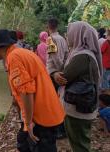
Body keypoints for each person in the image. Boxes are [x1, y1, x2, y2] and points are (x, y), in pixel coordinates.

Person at [0, 29, 65, 152]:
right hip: (45, 110)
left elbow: (27, 92)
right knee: (23, 143)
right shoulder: (22, 53)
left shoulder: (14, 58)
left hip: (41, 116)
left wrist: (28, 123)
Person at [56, 21, 103, 152]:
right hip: (82, 106)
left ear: (77, 35)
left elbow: (64, 77)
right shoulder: (81, 53)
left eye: (69, 33)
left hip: (77, 109)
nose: (67, 37)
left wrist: (55, 75)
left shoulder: (82, 56)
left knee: (79, 145)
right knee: (81, 141)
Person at [46, 18, 69, 91]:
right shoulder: (62, 39)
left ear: (48, 26)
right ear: (57, 26)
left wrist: (59, 69)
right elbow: (66, 54)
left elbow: (54, 56)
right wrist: (63, 68)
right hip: (62, 70)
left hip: (54, 72)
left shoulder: (50, 39)